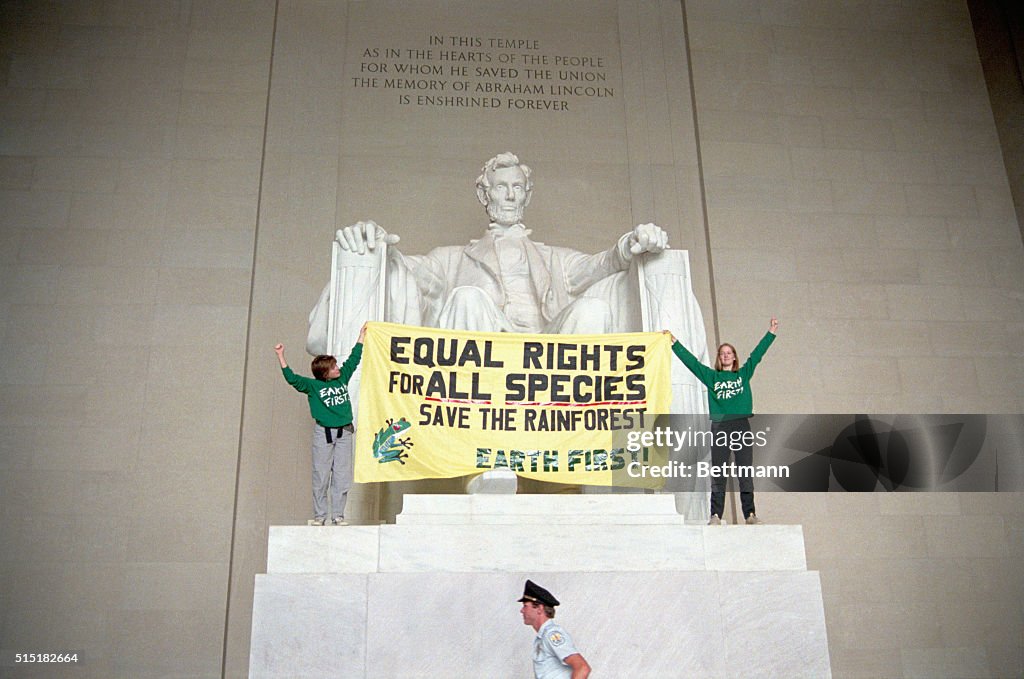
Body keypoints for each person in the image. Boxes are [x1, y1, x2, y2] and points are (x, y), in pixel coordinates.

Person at [307, 151, 669, 350]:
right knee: (467, 298)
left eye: (517, 188)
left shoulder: (555, 259)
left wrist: (629, 244)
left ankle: (585, 445)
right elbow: (410, 269)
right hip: (486, 350)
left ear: (527, 195)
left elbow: (600, 265)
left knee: (592, 309)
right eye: (501, 188)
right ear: (484, 195)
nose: (510, 196)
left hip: (549, 350)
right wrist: (377, 243)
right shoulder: (450, 259)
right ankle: (477, 450)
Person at [668, 317, 778, 525]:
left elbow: (757, 355)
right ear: (719, 358)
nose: (726, 356)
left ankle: (750, 514)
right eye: (722, 353)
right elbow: (692, 364)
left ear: (734, 358)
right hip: (720, 427)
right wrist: (675, 344)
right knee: (719, 472)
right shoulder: (712, 377)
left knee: (744, 471)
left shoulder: (743, 375)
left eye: (729, 353)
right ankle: (715, 515)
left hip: (741, 425)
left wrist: (771, 333)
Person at [274, 324, 366, 526]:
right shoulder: (313, 386)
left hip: (345, 432)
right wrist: (281, 355)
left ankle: (338, 515)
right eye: (333, 367)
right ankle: (320, 515)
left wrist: (361, 336)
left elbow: (354, 359)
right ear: (325, 373)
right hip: (323, 433)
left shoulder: (342, 378)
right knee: (321, 475)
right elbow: (292, 379)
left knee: (342, 476)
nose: (338, 368)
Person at [518, 579, 591, 679]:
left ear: (539, 608)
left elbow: (582, 668)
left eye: (525, 606)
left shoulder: (552, 635)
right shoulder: (541, 637)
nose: (522, 611)